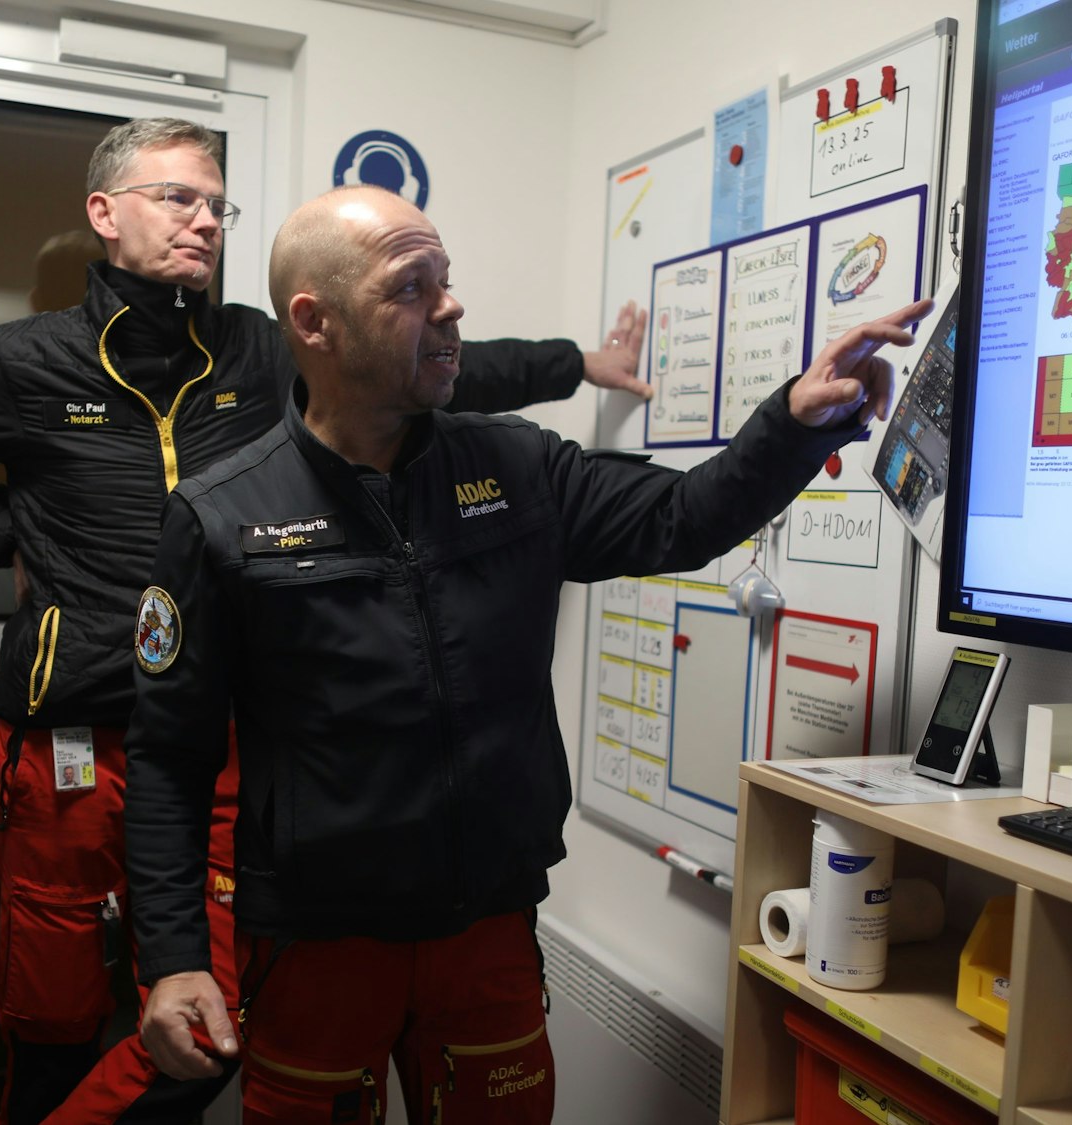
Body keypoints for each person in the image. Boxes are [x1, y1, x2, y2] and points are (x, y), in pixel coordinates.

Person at [0, 116, 651, 1125]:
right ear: (104, 214)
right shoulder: (29, 362)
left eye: (215, 204)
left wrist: (577, 361)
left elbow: (427, 357)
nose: (201, 220)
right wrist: (14, 538)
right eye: (175, 198)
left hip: (215, 741)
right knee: (50, 1017)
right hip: (70, 730)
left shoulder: (250, 346)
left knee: (213, 1014)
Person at [124, 184, 928, 1123]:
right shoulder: (223, 515)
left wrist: (797, 419)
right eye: (413, 286)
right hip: (316, 943)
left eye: (448, 280)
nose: (451, 306)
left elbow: (683, 518)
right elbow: (169, 758)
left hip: (488, 928)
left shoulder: (517, 468)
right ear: (317, 322)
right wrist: (175, 956)